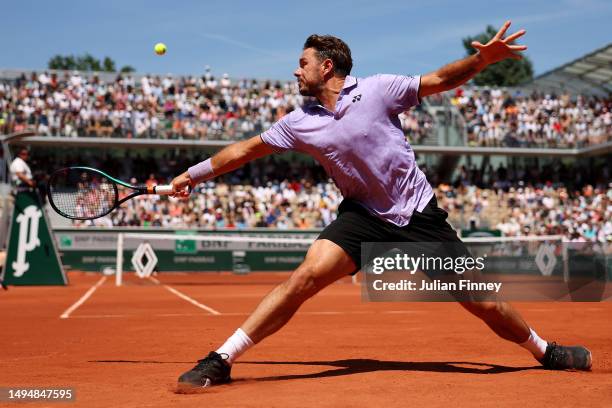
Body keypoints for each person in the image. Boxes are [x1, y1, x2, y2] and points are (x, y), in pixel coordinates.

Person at [171, 21, 591, 388]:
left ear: (327, 66)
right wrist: (192, 175)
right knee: (304, 277)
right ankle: (222, 358)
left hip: (419, 216)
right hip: (363, 217)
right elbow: (244, 151)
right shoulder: (299, 123)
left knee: (483, 302)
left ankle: (545, 350)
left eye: (303, 63)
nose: (296, 71)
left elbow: (440, 79)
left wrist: (482, 61)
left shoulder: (378, 89)